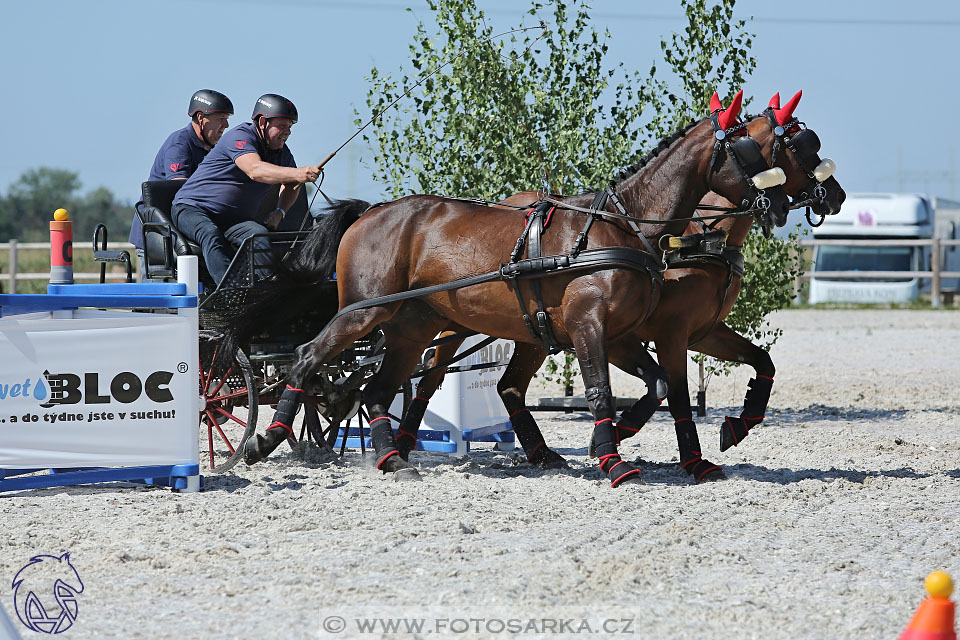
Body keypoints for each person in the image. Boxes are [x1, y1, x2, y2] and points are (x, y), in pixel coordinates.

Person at [171, 94, 321, 284]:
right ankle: (230, 294)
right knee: (210, 235)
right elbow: (254, 170)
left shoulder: (282, 152)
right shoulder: (240, 136)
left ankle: (266, 291)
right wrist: (298, 173)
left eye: (290, 127)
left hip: (233, 221)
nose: (287, 132)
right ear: (262, 122)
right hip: (192, 209)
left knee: (257, 235)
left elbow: (291, 184)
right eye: (282, 126)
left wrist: (280, 212)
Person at [130, 89, 234, 250]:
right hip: (159, 234)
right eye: (221, 118)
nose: (226, 125)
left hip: (181, 232)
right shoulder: (179, 143)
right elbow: (179, 186)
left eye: (226, 119)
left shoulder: (213, 148)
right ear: (201, 118)